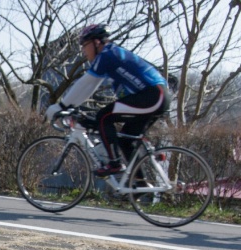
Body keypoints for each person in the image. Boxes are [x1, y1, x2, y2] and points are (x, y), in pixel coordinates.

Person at [46, 24, 170, 177]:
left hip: (153, 95)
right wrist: (72, 106)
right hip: (156, 96)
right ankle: (138, 184)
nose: (83, 51)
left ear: (96, 42)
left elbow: (86, 82)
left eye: (84, 45)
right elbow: (90, 87)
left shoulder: (107, 55)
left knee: (104, 116)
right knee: (125, 140)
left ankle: (114, 164)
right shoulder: (112, 56)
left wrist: (62, 105)